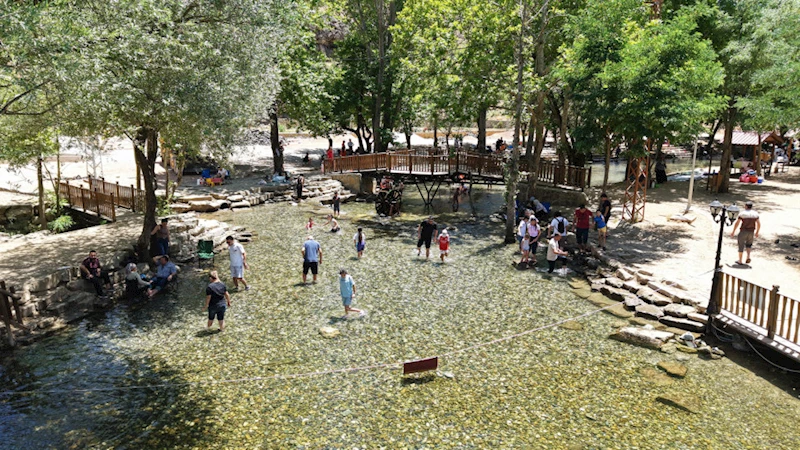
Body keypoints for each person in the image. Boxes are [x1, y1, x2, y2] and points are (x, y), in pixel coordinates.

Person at [730, 201, 761, 265]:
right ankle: (748, 256)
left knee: (741, 245)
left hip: (743, 231)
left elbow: (737, 223)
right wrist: (757, 232)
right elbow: (758, 224)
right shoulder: (755, 214)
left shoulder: (742, 214)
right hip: (751, 232)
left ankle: (740, 260)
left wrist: (733, 231)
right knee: (749, 245)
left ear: (746, 206)